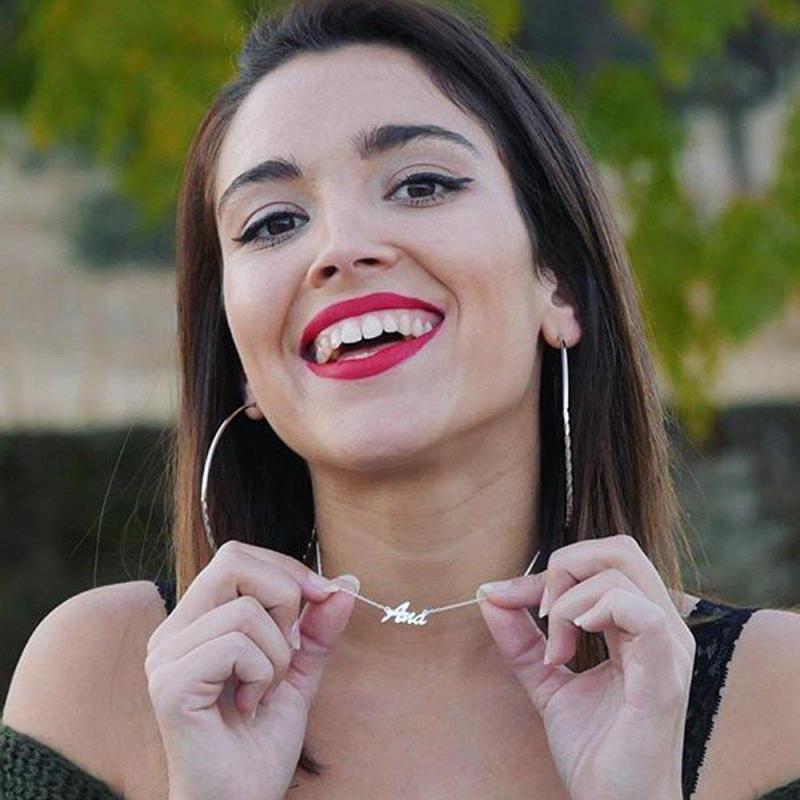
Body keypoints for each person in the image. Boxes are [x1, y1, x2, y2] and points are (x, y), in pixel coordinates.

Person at [3, 0, 800, 798]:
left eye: (420, 185)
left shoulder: (777, 701)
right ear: (240, 356)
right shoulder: (102, 680)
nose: (341, 248)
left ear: (556, 284)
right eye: (273, 223)